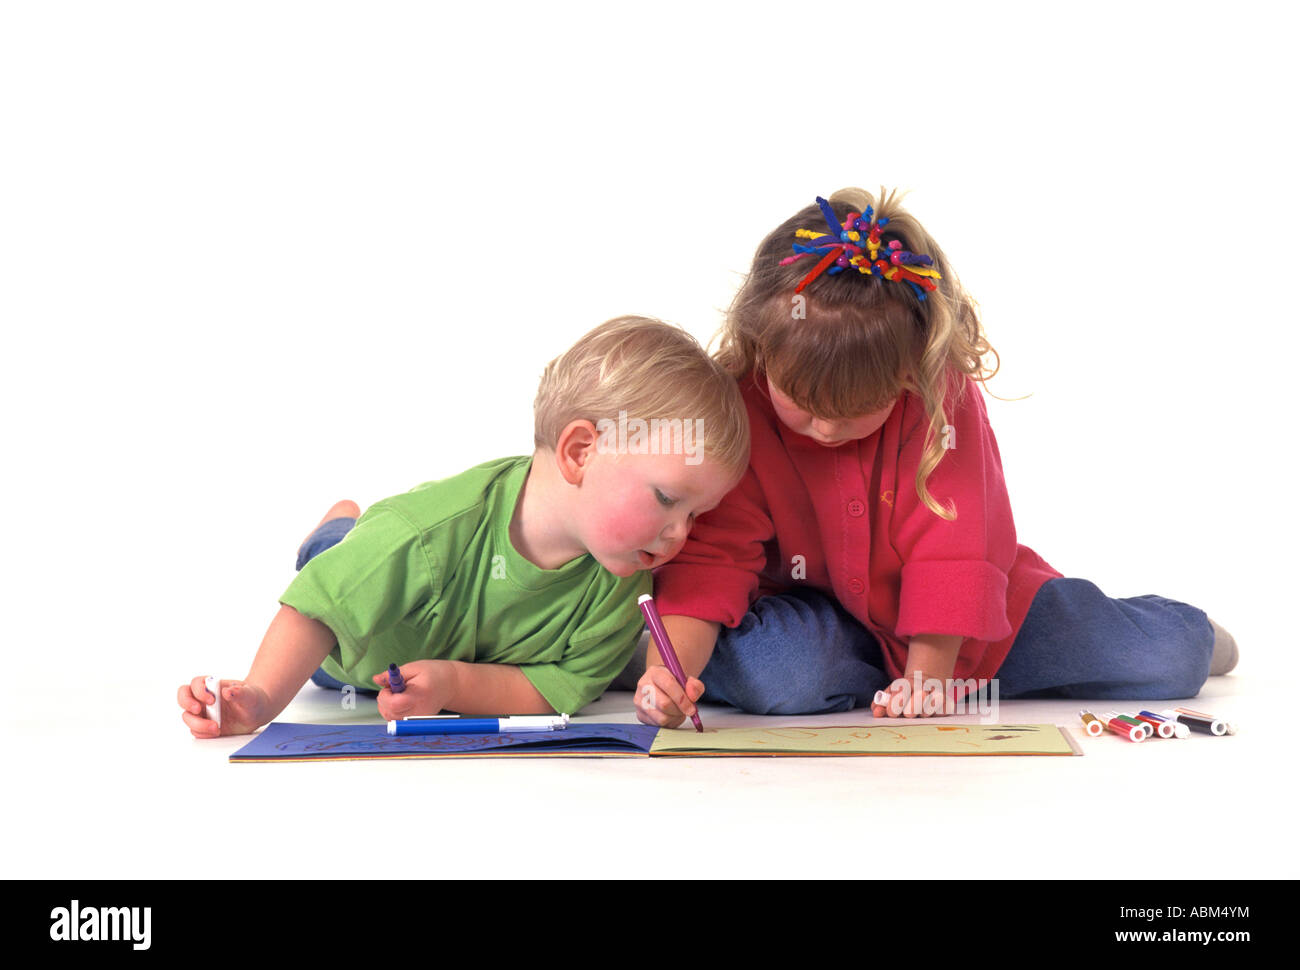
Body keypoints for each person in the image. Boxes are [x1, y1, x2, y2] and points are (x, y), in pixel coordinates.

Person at [631, 189, 1237, 727]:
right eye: (803, 404)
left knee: (1165, 658)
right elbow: (712, 557)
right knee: (779, 671)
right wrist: (670, 670)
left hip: (970, 630)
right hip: (821, 620)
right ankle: (681, 663)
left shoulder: (938, 397)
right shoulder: (740, 397)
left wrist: (929, 675)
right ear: (761, 351)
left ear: (906, 373)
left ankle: (1185, 634)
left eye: (856, 408)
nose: (825, 428)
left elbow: (958, 545)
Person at [179, 315, 749, 737]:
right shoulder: (429, 531)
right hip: (340, 648)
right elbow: (319, 607)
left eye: (695, 514)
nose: (680, 534)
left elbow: (554, 688)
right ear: (580, 452)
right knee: (334, 564)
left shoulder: (623, 581)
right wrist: (257, 697)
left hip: (397, 681)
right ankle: (336, 526)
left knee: (361, 646)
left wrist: (452, 686)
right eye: (668, 499)